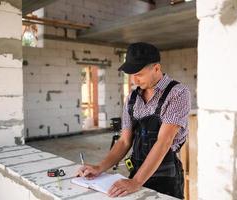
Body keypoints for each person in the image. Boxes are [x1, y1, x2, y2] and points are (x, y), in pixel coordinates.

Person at [76, 42, 191, 199]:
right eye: (131, 75)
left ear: (156, 68)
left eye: (139, 74)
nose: (134, 80)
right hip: (136, 171)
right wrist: (99, 167)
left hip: (166, 177)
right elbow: (124, 141)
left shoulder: (177, 93)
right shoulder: (132, 97)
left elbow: (164, 142)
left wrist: (136, 182)